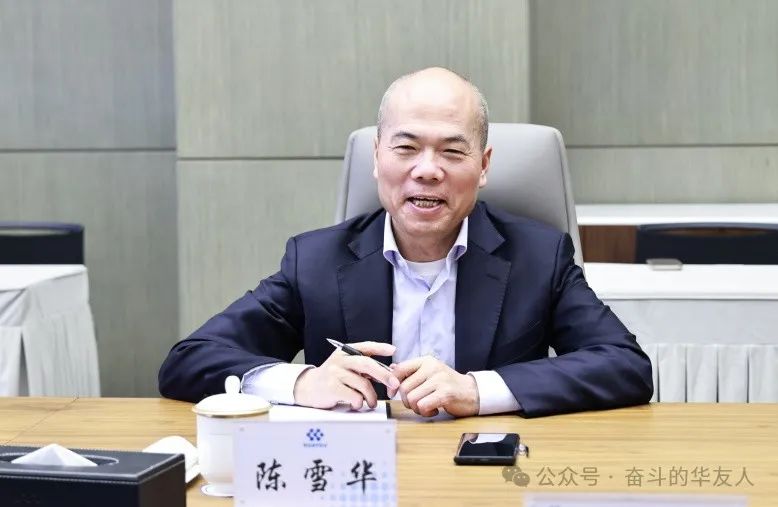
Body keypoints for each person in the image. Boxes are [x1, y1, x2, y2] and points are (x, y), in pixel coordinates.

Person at [159, 67, 653, 418]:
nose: (427, 170)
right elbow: (190, 360)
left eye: (452, 151)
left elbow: (625, 366)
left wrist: (478, 390)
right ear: (377, 157)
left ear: (483, 166)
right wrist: (303, 381)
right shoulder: (315, 261)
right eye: (407, 147)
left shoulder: (538, 257)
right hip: (364, 483)